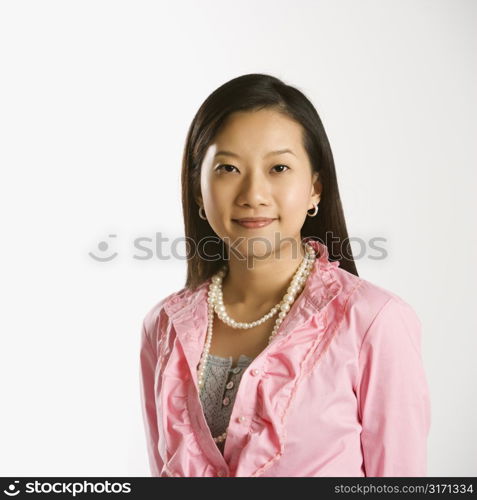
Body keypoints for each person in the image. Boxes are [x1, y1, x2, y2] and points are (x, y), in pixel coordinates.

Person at [139, 73, 431, 477]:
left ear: (315, 188)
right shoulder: (164, 325)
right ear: (197, 190)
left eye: (278, 167)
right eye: (227, 168)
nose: (253, 194)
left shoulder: (374, 322)